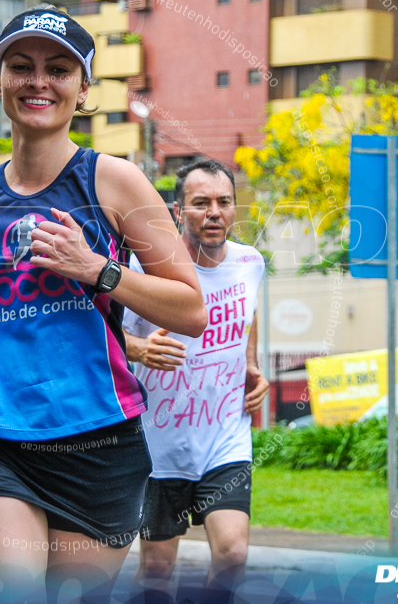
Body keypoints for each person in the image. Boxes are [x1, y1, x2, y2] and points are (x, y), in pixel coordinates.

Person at [0, 5, 207, 603]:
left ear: (83, 88)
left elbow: (189, 309)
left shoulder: (114, 182)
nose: (38, 82)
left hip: (98, 446)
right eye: (21, 67)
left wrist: (97, 269)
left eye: (58, 69)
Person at [123, 159, 269, 603]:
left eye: (224, 202)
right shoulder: (144, 268)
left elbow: (250, 313)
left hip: (225, 440)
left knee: (233, 554)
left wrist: (251, 365)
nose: (214, 212)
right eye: (201, 202)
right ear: (177, 211)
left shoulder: (250, 262)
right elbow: (103, 330)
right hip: (159, 447)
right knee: (157, 568)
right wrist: (139, 349)